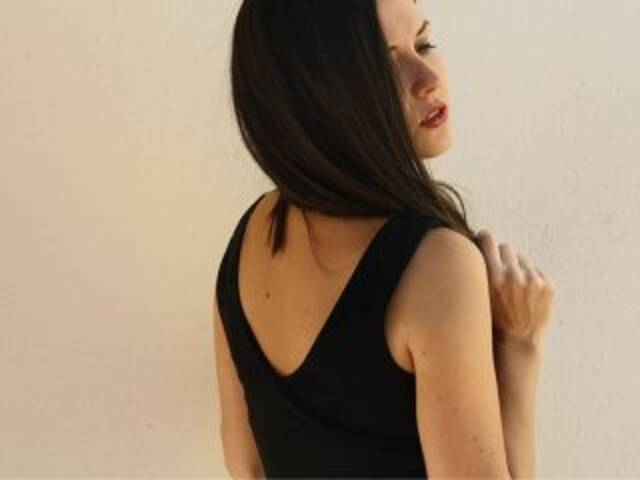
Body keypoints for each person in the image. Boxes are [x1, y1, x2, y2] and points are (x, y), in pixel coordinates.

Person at [214, 0, 555, 478]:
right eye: (382, 62)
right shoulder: (435, 265)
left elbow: (245, 464)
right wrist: (520, 347)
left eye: (424, 44)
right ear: (315, 93)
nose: (427, 79)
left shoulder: (254, 232)